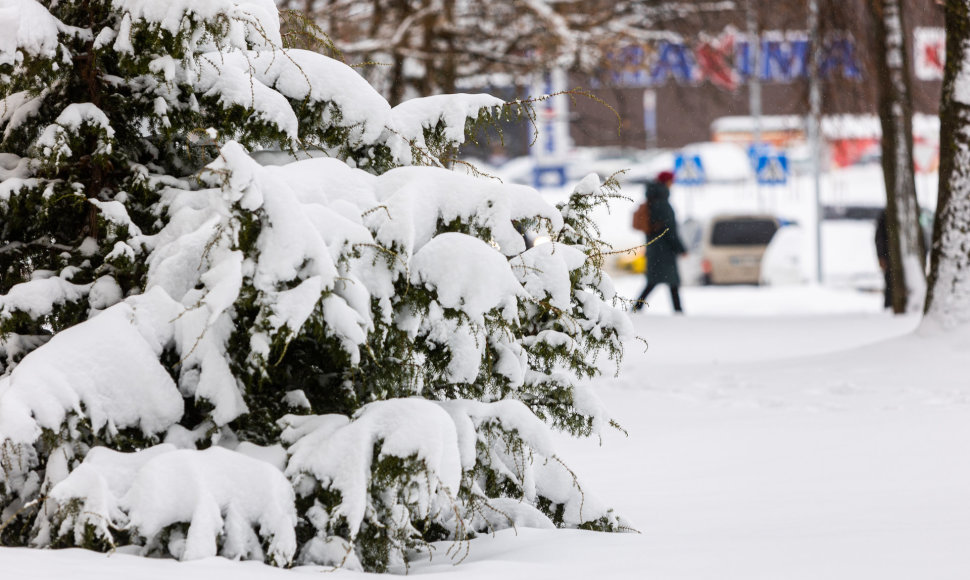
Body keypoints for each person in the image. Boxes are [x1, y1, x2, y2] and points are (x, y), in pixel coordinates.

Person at [632, 170, 687, 313]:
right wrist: (680, 248)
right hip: (664, 251)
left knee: (657, 280)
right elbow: (670, 231)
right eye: (671, 181)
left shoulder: (652, 200)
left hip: (655, 248)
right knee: (667, 281)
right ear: (666, 182)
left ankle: (638, 307)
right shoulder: (662, 204)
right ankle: (677, 311)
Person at [875, 209, 892, 309]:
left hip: (889, 256)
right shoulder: (885, 215)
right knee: (889, 284)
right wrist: (881, 256)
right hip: (888, 257)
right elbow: (879, 239)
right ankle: (888, 307)